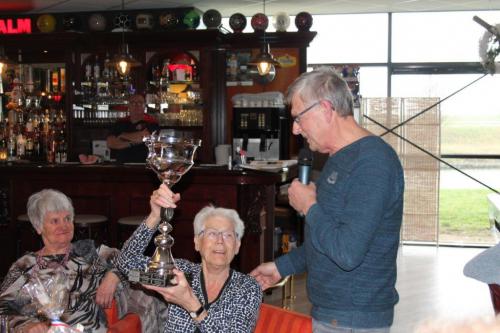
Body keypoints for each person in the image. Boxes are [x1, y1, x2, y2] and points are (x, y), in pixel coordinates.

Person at [250, 67, 405, 332]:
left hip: (352, 319)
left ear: (325, 108)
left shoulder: (373, 163)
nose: (296, 130)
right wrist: (281, 267)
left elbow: (346, 252)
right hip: (332, 313)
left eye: (298, 118)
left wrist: (309, 206)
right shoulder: (338, 159)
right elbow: (326, 242)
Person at [117, 184, 262, 333]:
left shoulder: (247, 288)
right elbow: (125, 263)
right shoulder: (180, 271)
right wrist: (154, 217)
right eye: (212, 233)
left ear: (237, 246)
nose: (220, 241)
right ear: (197, 242)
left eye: (228, 235)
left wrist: (191, 304)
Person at [0, 189, 124, 333]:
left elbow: (134, 264)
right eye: (55, 221)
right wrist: (26, 325)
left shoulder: (89, 252)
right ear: (38, 227)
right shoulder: (25, 265)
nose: (63, 226)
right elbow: (2, 307)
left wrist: (114, 276)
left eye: (67, 219)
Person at [106, 94, 160, 163]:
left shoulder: (152, 123)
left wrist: (122, 136)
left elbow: (145, 137)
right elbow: (110, 143)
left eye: (140, 102)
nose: (137, 105)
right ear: (128, 106)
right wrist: (134, 141)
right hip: (122, 164)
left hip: (144, 165)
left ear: (144, 106)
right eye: (133, 103)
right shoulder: (120, 123)